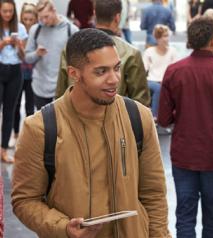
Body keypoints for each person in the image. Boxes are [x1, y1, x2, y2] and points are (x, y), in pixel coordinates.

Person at [12, 28, 170, 238]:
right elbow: (25, 200)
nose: (114, 79)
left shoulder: (138, 117)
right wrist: (64, 227)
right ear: (74, 74)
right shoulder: (40, 128)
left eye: (116, 68)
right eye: (101, 71)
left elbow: (154, 194)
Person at [158, 16, 213, 238]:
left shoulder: (174, 71)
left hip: (183, 153)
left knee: (185, 217)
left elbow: (164, 119)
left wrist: (182, 115)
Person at [56, 0, 151, 107]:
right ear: (117, 17)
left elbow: (60, 94)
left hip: (74, 118)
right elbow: (140, 102)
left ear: (94, 14)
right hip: (115, 120)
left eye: (116, 68)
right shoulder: (131, 53)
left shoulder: (71, 49)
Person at [25, 0, 79, 110]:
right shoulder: (35, 30)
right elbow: (27, 58)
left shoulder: (71, 30)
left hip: (63, 88)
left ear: (54, 11)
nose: (44, 21)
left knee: (62, 125)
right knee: (44, 125)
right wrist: (36, 54)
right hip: (40, 87)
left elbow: (79, 60)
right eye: (41, 18)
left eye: (46, 17)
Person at [0, 0, 28, 163]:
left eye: (10, 11)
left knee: (10, 111)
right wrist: (3, 43)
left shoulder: (21, 28)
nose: (8, 14)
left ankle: (3, 150)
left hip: (15, 71)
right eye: (4, 11)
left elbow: (23, 57)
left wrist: (20, 46)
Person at [11, 2, 37, 149]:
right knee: (15, 106)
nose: (28, 22)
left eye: (31, 19)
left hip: (33, 75)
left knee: (30, 108)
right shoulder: (18, 32)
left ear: (35, 19)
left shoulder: (37, 33)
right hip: (18, 73)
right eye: (25, 19)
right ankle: (15, 135)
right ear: (21, 18)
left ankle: (28, 138)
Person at [142, 24, 177, 120]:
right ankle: (154, 116)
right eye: (163, 36)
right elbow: (143, 69)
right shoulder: (149, 52)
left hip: (166, 81)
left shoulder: (172, 51)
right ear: (157, 38)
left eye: (167, 36)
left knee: (162, 88)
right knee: (158, 88)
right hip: (151, 81)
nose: (166, 39)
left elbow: (175, 70)